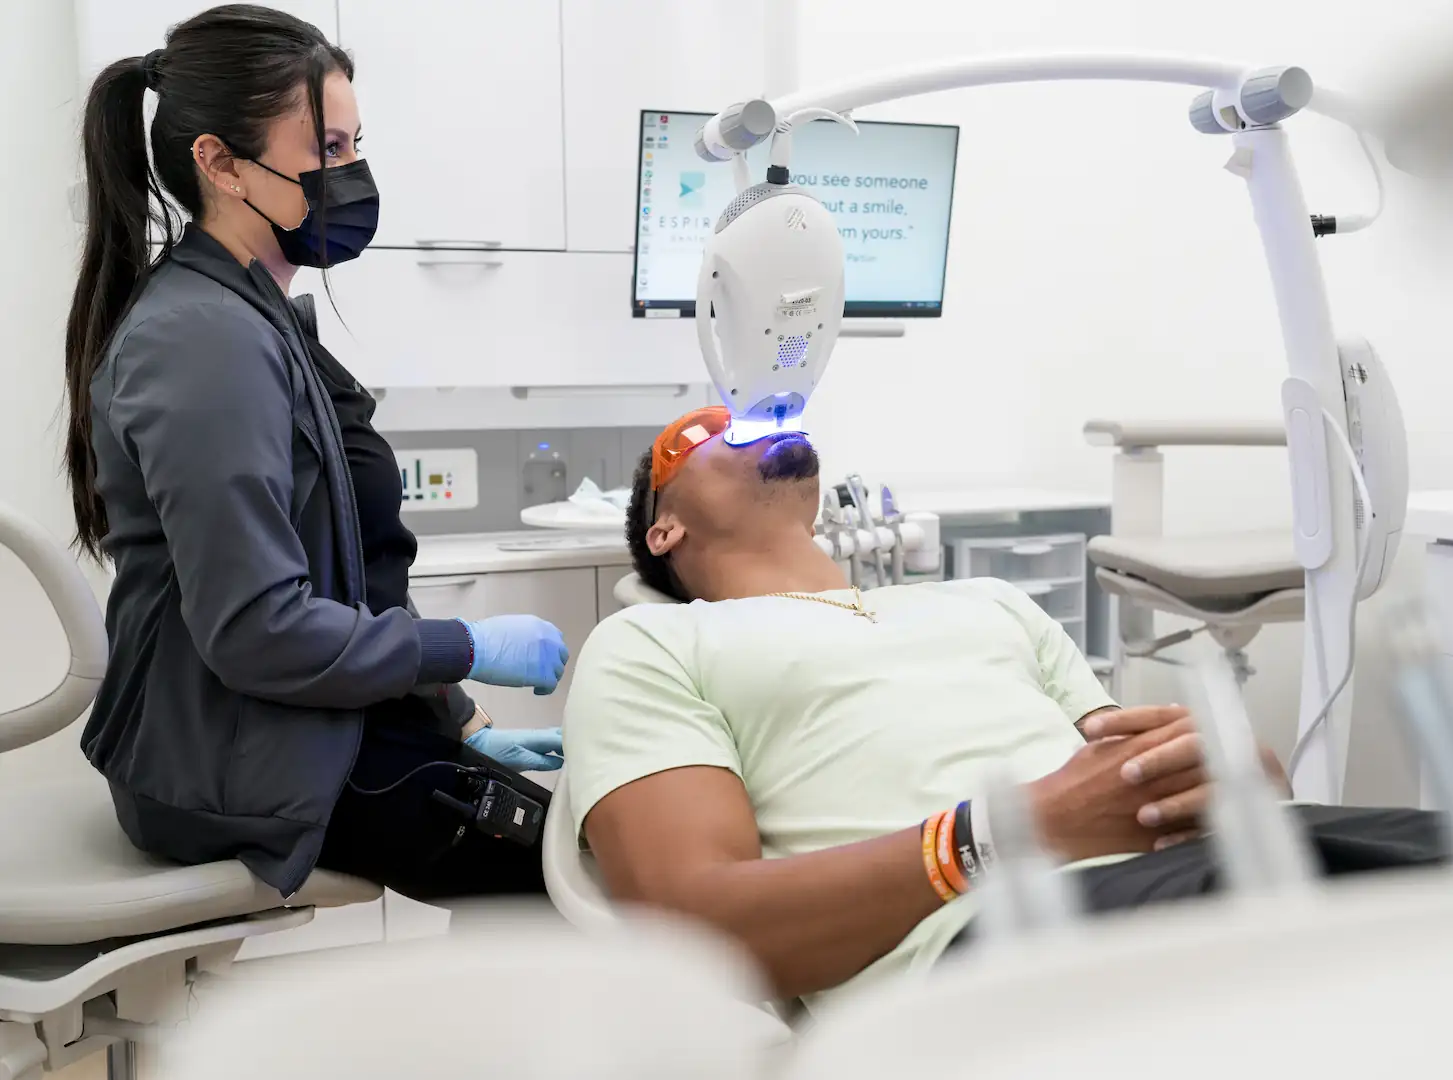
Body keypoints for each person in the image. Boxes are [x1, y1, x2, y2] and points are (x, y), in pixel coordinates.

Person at [65, 5, 568, 901]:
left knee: (577, 853)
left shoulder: (259, 315)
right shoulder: (201, 342)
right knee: (584, 883)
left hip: (296, 722)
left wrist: (458, 716)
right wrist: (464, 645)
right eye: (325, 150)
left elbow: (351, 577)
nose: (351, 174)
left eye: (353, 145)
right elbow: (258, 631)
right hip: (235, 760)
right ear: (217, 162)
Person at [563, 406, 1278, 1009]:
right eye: (704, 428)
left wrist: (1236, 778)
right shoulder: (651, 643)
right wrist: (1001, 835)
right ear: (666, 531)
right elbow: (691, 934)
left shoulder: (989, 600)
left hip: (1221, 876)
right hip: (1017, 951)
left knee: (1389, 873)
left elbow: (1130, 768)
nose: (747, 419)